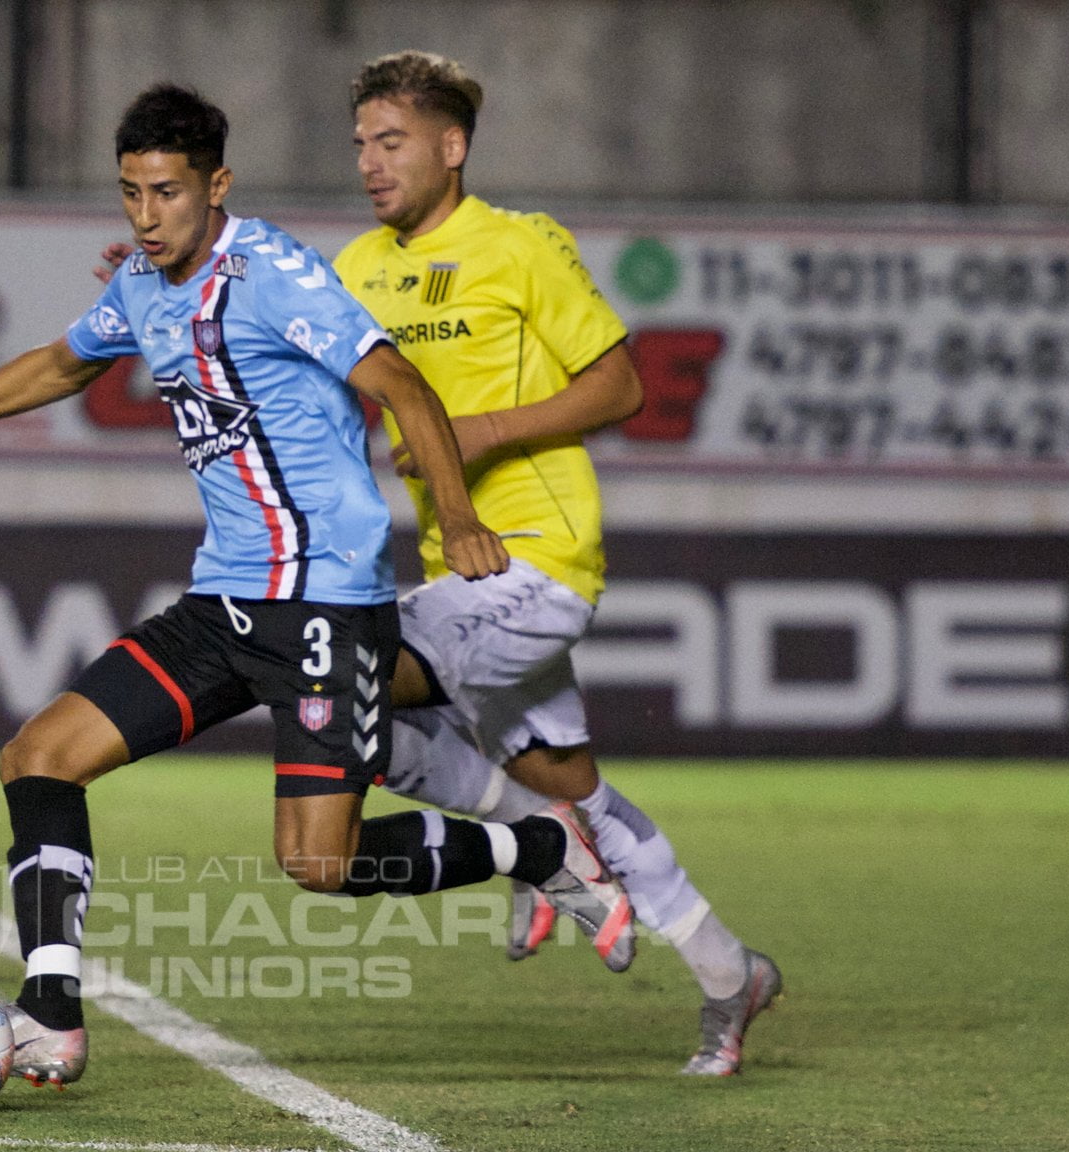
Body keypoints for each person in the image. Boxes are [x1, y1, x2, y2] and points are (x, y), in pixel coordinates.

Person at [0, 84, 631, 1089]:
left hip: (327, 604)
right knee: (38, 759)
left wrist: (456, 517)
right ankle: (52, 1019)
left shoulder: (274, 273)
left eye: (164, 192)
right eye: (129, 194)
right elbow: (57, 366)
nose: (145, 216)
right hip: (222, 606)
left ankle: (535, 847)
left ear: (215, 187)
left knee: (316, 868)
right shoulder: (143, 290)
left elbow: (400, 387)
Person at [333, 51, 783, 1077]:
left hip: (536, 562)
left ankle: (536, 844)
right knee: (570, 783)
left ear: (451, 147)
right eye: (359, 142)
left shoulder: (519, 246)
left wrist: (485, 429)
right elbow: (269, 325)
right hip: (459, 577)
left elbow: (622, 386)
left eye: (390, 140)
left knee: (332, 677)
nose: (369, 160)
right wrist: (163, 276)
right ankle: (728, 976)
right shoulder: (357, 268)